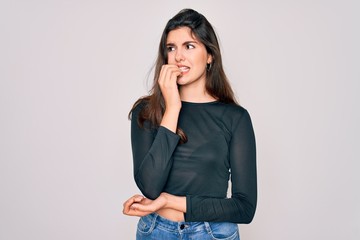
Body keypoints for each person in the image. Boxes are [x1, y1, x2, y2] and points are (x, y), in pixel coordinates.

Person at [123, 8, 257, 240]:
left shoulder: (235, 118)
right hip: (156, 231)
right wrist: (173, 107)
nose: (178, 57)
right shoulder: (146, 112)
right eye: (171, 48)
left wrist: (170, 201)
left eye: (189, 46)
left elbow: (244, 208)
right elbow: (151, 188)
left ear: (209, 56)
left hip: (212, 233)